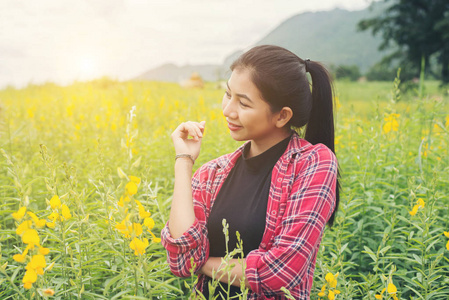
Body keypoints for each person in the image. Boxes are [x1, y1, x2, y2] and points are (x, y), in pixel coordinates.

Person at [161, 45, 340, 299]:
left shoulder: (313, 164)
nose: (227, 110)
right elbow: (180, 262)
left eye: (243, 103)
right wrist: (184, 161)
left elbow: (280, 273)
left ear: (282, 116)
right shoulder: (212, 173)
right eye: (227, 94)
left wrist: (200, 263)